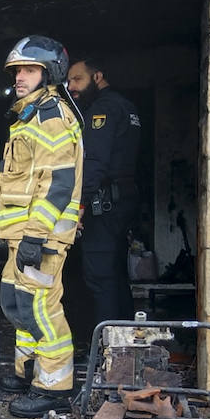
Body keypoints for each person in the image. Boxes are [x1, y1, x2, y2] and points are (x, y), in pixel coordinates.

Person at [0, 36, 84, 417]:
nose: (20, 77)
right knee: (14, 300)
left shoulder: (51, 116)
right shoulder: (27, 114)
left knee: (39, 307)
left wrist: (35, 235)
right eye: (17, 71)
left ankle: (55, 386)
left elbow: (58, 183)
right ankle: (28, 370)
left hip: (42, 235)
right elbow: (25, 175)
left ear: (50, 73)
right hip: (21, 232)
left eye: (28, 69)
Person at [67, 57, 141, 330]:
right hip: (122, 200)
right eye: (69, 80)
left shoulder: (103, 109)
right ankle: (124, 345)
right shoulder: (127, 107)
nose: (71, 85)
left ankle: (108, 352)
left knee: (101, 278)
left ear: (97, 77)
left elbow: (94, 162)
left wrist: (80, 205)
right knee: (117, 275)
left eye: (77, 79)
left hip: (104, 204)